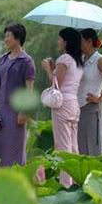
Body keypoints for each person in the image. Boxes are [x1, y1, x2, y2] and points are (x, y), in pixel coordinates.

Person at [41, 27, 83, 188]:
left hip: (62, 104)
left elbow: (56, 83)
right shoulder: (78, 61)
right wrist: (53, 68)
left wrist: (47, 69)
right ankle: (76, 182)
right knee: (73, 146)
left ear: (66, 41)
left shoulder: (64, 59)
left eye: (60, 39)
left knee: (63, 147)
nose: (58, 42)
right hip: (74, 103)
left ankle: (66, 185)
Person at [0, 23, 35, 166]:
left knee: (15, 148)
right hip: (1, 112)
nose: (5, 39)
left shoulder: (27, 61)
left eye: (8, 36)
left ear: (18, 38)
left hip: (17, 113)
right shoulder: (2, 59)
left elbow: (29, 89)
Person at [78, 28, 102, 156]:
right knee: (81, 150)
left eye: (81, 41)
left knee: (94, 150)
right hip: (80, 110)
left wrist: (100, 98)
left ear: (89, 41)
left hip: (92, 110)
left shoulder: (100, 60)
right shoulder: (82, 59)